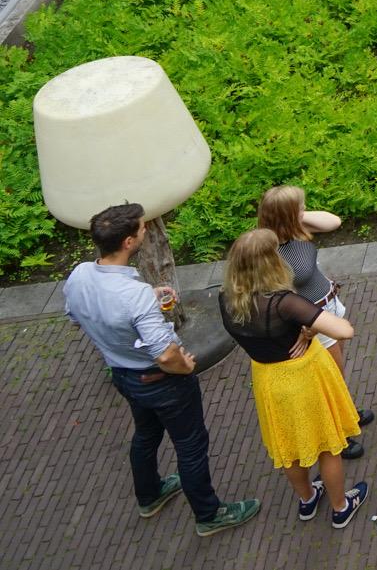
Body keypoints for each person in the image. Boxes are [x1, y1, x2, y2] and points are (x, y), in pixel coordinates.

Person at [62, 203, 261, 538]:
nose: (146, 230)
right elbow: (166, 355)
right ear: (128, 242)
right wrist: (185, 367)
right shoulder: (134, 295)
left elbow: (76, 316)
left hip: (123, 375)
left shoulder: (80, 275)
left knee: (146, 434)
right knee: (191, 446)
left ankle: (150, 495)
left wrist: (145, 304)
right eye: (142, 228)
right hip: (161, 382)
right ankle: (209, 514)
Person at [218, 228, 366, 529]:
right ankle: (341, 507)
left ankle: (307, 499)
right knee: (328, 446)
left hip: (269, 380)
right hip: (303, 376)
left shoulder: (227, 299)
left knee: (290, 448)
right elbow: (344, 330)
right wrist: (310, 330)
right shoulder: (282, 302)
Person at [256, 185, 372, 455]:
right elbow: (275, 296)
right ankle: (339, 434)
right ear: (286, 215)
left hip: (329, 304)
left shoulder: (295, 229)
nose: (305, 210)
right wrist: (303, 326)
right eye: (300, 207)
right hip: (313, 318)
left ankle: (346, 413)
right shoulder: (268, 252)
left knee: (337, 371)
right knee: (332, 378)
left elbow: (334, 222)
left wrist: (296, 216)